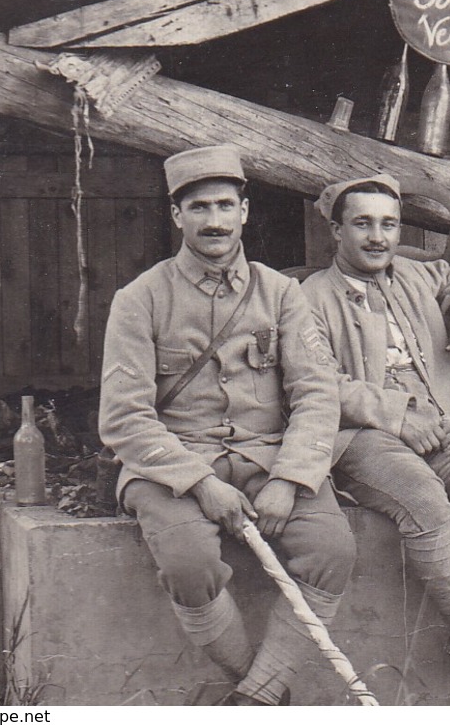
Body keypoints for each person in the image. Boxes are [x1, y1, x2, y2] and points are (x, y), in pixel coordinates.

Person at [99, 145, 354, 706]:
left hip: (269, 459)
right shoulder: (138, 299)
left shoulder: (282, 293)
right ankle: (263, 691)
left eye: (224, 205)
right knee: (190, 565)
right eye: (198, 208)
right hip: (169, 466)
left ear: (245, 210)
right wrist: (199, 482)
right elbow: (124, 417)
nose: (213, 221)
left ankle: (251, 703)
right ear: (177, 216)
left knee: (332, 549)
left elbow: (316, 393)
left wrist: (291, 477)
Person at [299, 174, 450, 686]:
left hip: (440, 422)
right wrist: (396, 415)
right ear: (337, 231)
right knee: (424, 495)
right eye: (362, 223)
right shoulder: (309, 297)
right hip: (362, 437)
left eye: (388, 224)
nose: (377, 237)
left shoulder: (413, 272)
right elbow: (316, 384)